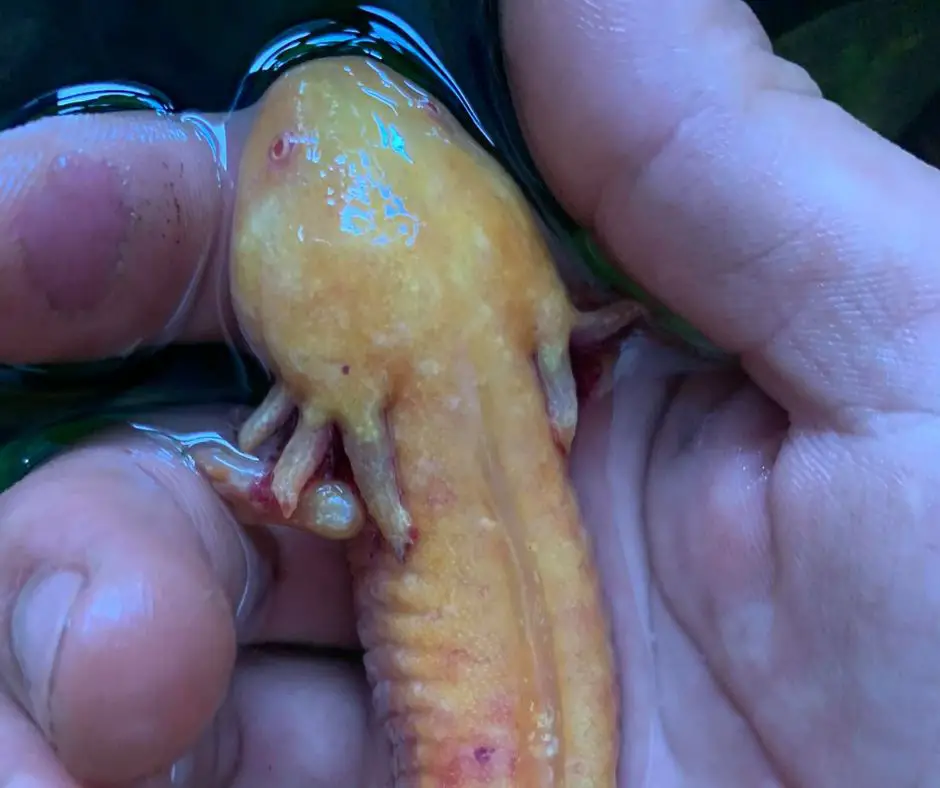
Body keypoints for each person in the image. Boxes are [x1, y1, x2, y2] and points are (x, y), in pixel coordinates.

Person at [2, 0, 938, 784]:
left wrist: (229, 472)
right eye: (289, 161)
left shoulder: (343, 476)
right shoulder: (556, 374)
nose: (294, 133)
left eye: (278, 163)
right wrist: (242, 480)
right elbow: (318, 504)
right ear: (582, 339)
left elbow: (320, 502)